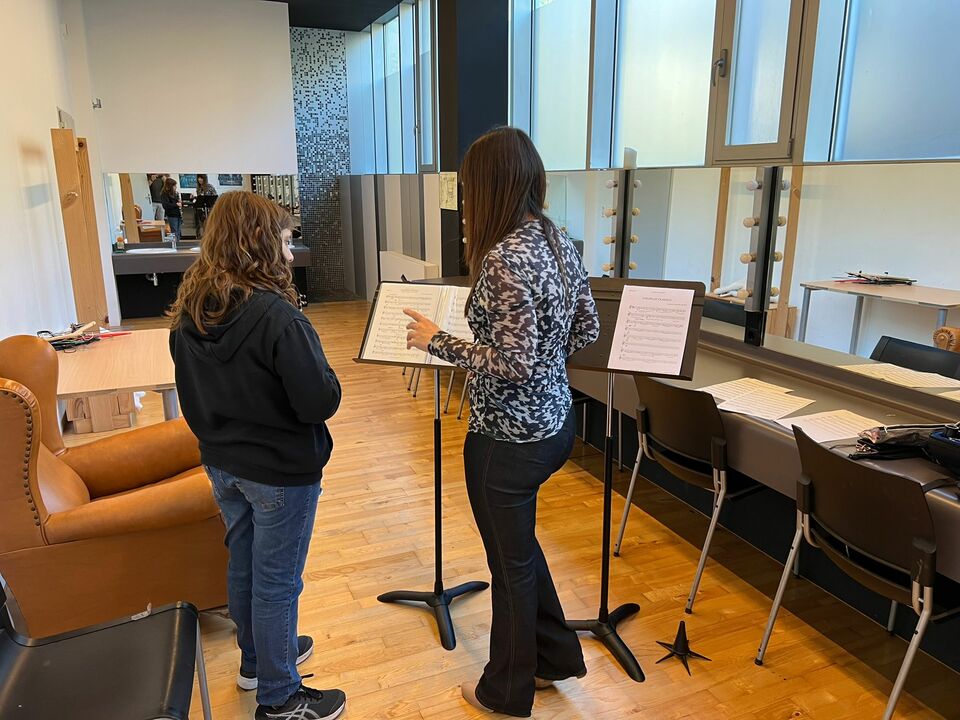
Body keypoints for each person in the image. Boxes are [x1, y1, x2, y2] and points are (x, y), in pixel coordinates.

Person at [404, 127, 600, 718]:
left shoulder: (503, 259)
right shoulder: (557, 241)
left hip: (506, 442)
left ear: (488, 186)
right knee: (520, 552)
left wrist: (439, 341)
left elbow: (513, 364)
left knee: (509, 566)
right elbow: (587, 329)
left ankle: (506, 691)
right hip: (555, 425)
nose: (466, 198)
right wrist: (544, 363)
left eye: (469, 186)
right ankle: (555, 657)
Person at [168, 191, 346, 720]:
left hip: (223, 465)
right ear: (260, 244)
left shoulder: (189, 312)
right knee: (278, 582)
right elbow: (318, 402)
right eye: (286, 242)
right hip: (280, 474)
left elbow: (192, 397)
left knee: (245, 563)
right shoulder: (278, 318)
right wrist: (328, 375)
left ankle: (257, 660)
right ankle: (280, 696)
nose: (290, 254)